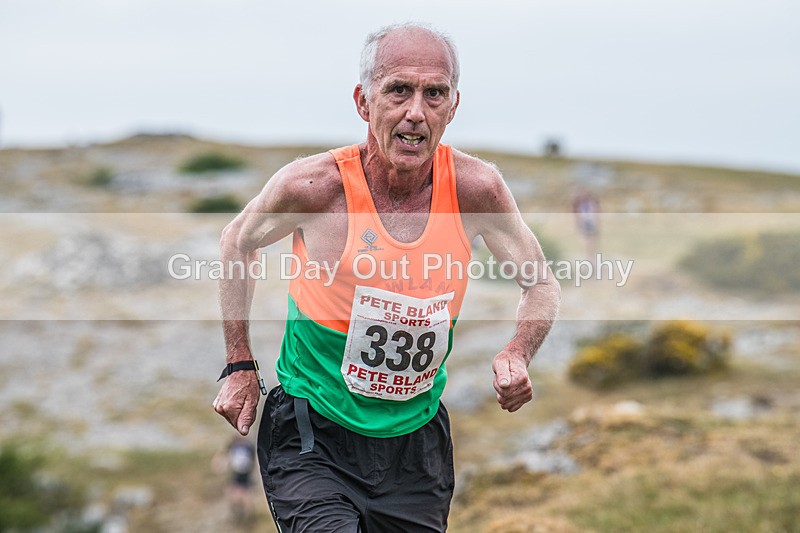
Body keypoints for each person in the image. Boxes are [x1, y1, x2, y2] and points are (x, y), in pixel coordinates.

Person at [213, 22, 561, 532]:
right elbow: (237, 242)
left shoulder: (476, 191)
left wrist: (517, 351)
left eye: (434, 93)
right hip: (314, 432)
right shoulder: (314, 187)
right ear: (363, 101)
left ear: (454, 106)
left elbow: (541, 283)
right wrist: (239, 363)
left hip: (415, 446)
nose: (415, 113)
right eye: (398, 90)